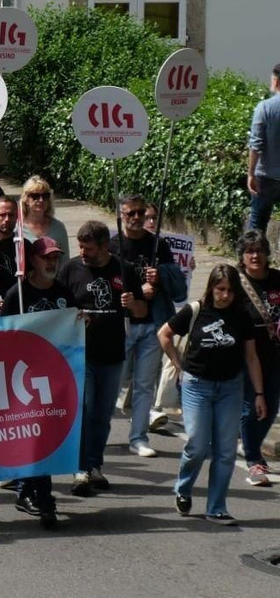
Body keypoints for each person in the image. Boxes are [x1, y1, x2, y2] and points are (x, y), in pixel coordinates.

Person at [159, 265, 268, 524]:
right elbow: (164, 335)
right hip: (197, 385)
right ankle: (183, 488)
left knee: (225, 450)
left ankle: (216, 507)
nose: (225, 295)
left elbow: (251, 357)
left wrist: (259, 393)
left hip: (230, 388)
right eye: (220, 289)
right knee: (197, 445)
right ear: (211, 288)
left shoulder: (242, 316)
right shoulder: (195, 310)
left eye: (230, 290)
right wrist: (178, 365)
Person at [59, 221, 146, 496]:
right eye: (81, 247)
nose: (83, 252)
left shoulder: (123, 269)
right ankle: (81, 469)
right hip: (80, 354)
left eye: (89, 248)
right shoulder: (70, 269)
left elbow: (143, 311)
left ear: (104, 246)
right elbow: (57, 306)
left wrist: (133, 304)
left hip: (112, 354)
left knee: (103, 416)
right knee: (84, 411)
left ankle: (95, 465)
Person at [0, 235, 72, 528]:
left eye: (55, 257)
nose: (52, 262)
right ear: (33, 261)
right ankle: (45, 498)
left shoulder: (64, 293)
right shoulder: (18, 294)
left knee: (45, 438)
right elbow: (3, 334)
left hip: (54, 378)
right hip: (23, 379)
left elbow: (73, 330)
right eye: (46, 257)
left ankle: (28, 489)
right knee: (34, 435)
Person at [112, 194, 177, 458]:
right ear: (121, 216)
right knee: (113, 384)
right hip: (123, 325)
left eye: (141, 212)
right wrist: (136, 292)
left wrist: (160, 278)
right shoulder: (114, 245)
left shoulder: (158, 245)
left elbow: (177, 285)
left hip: (151, 324)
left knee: (144, 386)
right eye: (131, 214)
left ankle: (138, 437)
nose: (137, 218)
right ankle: (97, 434)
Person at [233, 231, 280, 485]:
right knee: (252, 406)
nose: (255, 255)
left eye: (259, 250)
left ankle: (249, 444)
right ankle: (254, 460)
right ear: (242, 256)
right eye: (249, 251)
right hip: (248, 356)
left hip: (275, 354)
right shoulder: (236, 284)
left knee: (271, 406)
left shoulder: (277, 279)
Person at [249, 64, 280, 233]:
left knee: (257, 226)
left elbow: (256, 145)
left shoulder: (265, 107)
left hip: (266, 176)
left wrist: (251, 173)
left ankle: (252, 257)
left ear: (276, 81)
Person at [20, 176, 68, 259]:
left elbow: (65, 261)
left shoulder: (58, 227)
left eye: (45, 196)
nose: (41, 200)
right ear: (26, 199)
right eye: (35, 196)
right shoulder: (17, 227)